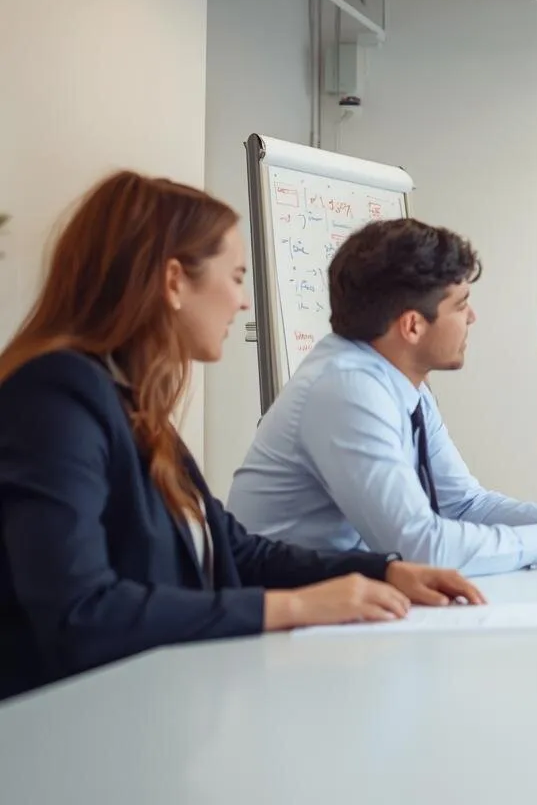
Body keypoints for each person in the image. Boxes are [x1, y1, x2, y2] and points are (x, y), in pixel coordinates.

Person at [0, 173, 480, 700]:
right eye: (234, 277)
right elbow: (80, 609)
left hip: (150, 709)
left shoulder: (130, 400)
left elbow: (235, 550)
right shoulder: (55, 396)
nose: (243, 302)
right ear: (175, 281)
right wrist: (292, 607)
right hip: (63, 730)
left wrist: (383, 571)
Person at [228, 219, 537, 576]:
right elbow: (419, 545)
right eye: (460, 305)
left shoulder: (399, 380)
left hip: (342, 602)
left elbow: (462, 503)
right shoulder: (346, 390)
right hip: (289, 623)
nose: (472, 316)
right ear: (412, 326)